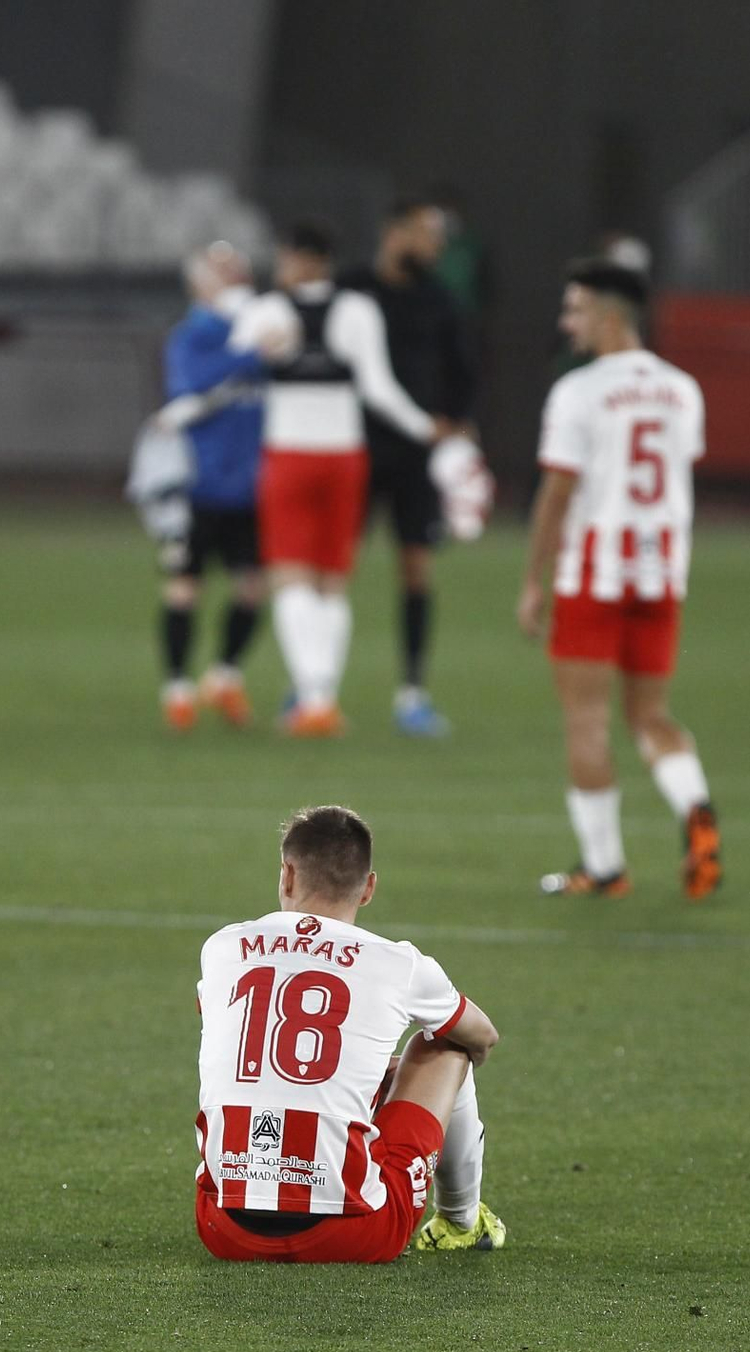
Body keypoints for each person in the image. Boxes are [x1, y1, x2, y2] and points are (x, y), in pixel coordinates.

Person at [192, 805, 506, 1263]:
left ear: (287, 875)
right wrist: (435, 1077)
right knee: (444, 1044)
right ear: (368, 889)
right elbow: (483, 1035)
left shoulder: (222, 947)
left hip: (223, 1229)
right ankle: (461, 1220)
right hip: (354, 1233)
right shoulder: (399, 964)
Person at [517, 260, 721, 901]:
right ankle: (695, 805)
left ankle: (604, 868)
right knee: (652, 715)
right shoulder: (682, 389)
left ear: (608, 316)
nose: (566, 321)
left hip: (593, 574)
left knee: (586, 719)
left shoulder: (579, 391)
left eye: (575, 309)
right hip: (661, 573)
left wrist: (532, 579)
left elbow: (557, 493)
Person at [230, 221, 443, 738]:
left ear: (297, 259)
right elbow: (377, 388)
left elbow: (232, 369)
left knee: (290, 576)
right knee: (331, 580)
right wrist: (425, 427)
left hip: (290, 455)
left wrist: (261, 354)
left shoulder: (266, 311)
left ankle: (314, 698)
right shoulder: (357, 310)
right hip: (345, 457)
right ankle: (323, 697)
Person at [341, 198, 478, 737]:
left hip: (415, 456)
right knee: (334, 572)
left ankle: (413, 693)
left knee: (417, 568)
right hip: (352, 446)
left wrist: (457, 420)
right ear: (393, 233)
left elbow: (464, 370)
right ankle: (313, 686)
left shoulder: (441, 299)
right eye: (427, 234)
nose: (436, 246)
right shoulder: (351, 290)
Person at [151, 242, 272, 731]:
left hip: (252, 485)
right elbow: (190, 388)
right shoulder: (192, 336)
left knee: (253, 587)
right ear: (199, 283)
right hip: (197, 484)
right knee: (185, 585)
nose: (235, 276)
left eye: (238, 267)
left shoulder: (263, 329)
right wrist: (246, 354)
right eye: (222, 270)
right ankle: (177, 687)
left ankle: (224, 676)